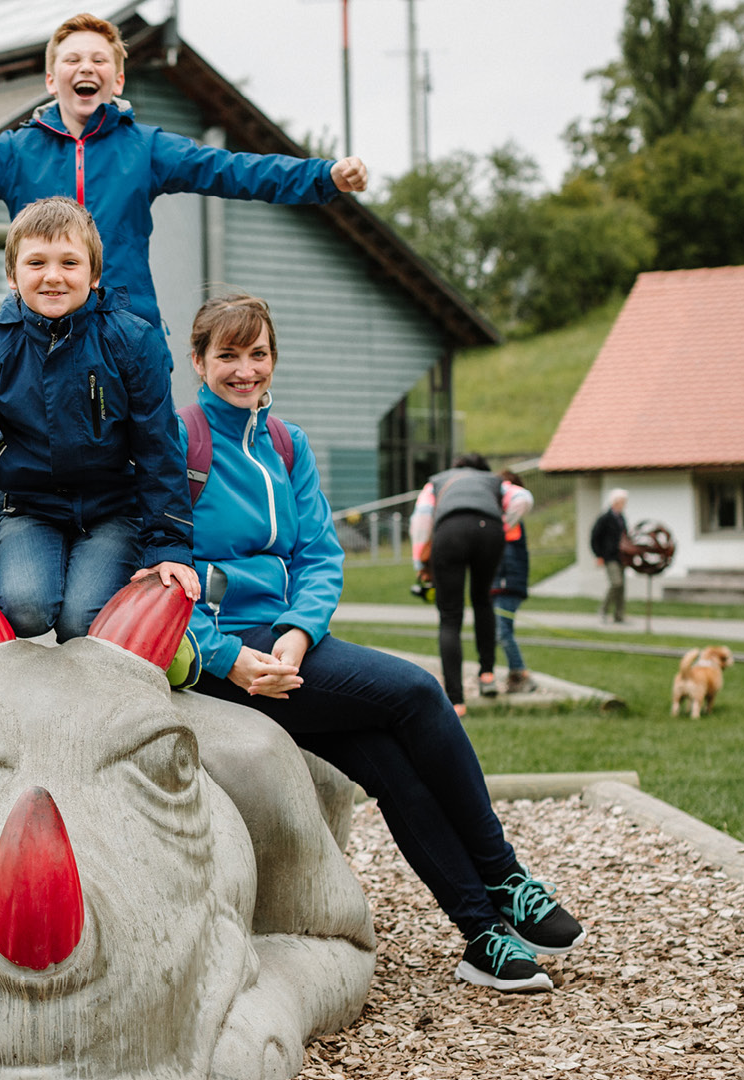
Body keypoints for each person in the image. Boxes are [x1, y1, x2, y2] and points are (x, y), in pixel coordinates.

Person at [181, 294, 583, 994]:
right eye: (228, 356)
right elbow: (160, 570)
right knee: (418, 693)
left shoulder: (286, 444)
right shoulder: (177, 443)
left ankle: (481, 936)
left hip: (289, 648)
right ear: (198, 362)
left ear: (273, 358)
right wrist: (230, 660)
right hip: (221, 658)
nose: (245, 370)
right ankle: (505, 876)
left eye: (258, 353)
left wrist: (300, 636)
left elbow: (319, 554)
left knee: (390, 762)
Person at [0, 13, 370, 334]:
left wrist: (323, 176)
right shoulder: (15, 152)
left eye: (100, 60)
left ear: (117, 80)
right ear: (52, 80)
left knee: (141, 461)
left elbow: (232, 170)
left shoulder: (145, 149)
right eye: (72, 59)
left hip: (126, 325)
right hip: (37, 325)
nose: (86, 68)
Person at [0, 197, 197, 638]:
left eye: (70, 262)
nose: (53, 276)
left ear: (94, 274)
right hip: (31, 505)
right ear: (12, 276)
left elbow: (158, 448)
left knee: (82, 621)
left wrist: (168, 545)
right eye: (36, 263)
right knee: (26, 608)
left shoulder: (131, 342)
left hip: (111, 508)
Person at [410, 452, 510, 716]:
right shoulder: (494, 481)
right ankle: (487, 674)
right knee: (482, 600)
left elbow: (421, 519)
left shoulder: (438, 481)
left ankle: (457, 701)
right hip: (489, 530)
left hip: (450, 532)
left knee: (451, 616)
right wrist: (502, 524)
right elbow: (523, 499)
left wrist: (420, 562)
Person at [491, 469, 536, 694]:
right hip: (499, 584)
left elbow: (503, 552)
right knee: (496, 631)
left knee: (503, 631)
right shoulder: (505, 520)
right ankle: (510, 674)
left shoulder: (511, 522)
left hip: (507, 584)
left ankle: (520, 673)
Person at [590, 489, 629, 623]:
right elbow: (595, 537)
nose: (624, 504)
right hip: (609, 557)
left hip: (621, 557)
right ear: (615, 502)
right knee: (616, 583)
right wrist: (598, 555)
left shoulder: (621, 518)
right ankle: (603, 610)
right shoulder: (605, 518)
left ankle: (619, 615)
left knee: (622, 587)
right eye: (622, 502)